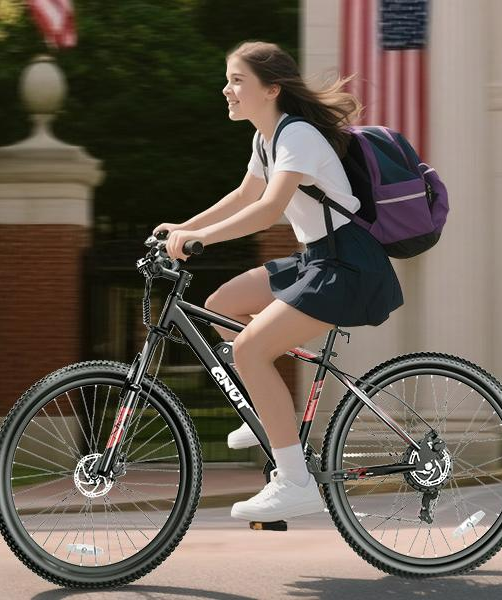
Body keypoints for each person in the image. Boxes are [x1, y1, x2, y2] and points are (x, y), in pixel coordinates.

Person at [152, 41, 404, 522]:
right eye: (228, 80)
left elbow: (268, 209)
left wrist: (202, 238)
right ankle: (272, 416)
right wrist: (184, 227)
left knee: (249, 350)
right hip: (317, 258)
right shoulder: (265, 139)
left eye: (237, 80)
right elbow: (244, 193)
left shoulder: (299, 136)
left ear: (271, 89)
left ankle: (294, 483)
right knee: (222, 303)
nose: (226, 89)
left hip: (346, 264)